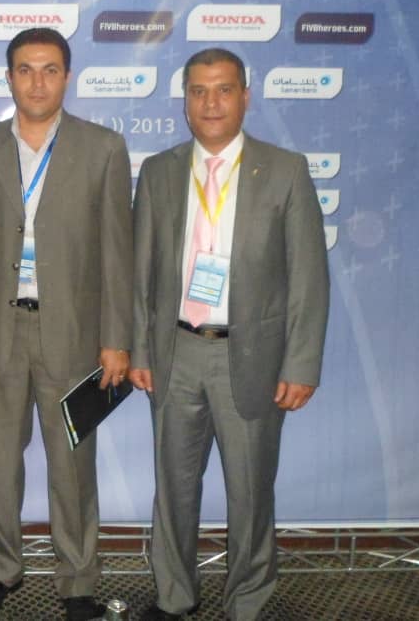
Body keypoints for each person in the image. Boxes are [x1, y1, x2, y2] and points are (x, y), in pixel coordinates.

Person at [130, 47, 330, 621]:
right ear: (185, 101)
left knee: (250, 492)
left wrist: (301, 364)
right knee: (173, 488)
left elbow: (308, 278)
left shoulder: (285, 170)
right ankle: (175, 597)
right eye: (198, 91)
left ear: (245, 96)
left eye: (223, 90)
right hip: (176, 352)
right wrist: (141, 349)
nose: (210, 103)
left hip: (253, 358)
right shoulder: (160, 171)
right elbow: (141, 274)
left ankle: (247, 602)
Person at [0, 27, 134, 621]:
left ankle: (78, 581)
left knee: (73, 467)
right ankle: (0, 570)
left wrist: (116, 339)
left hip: (75, 336)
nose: (37, 82)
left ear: (67, 76)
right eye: (26, 69)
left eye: (50, 69)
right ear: (9, 78)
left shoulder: (103, 148)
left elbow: (117, 253)